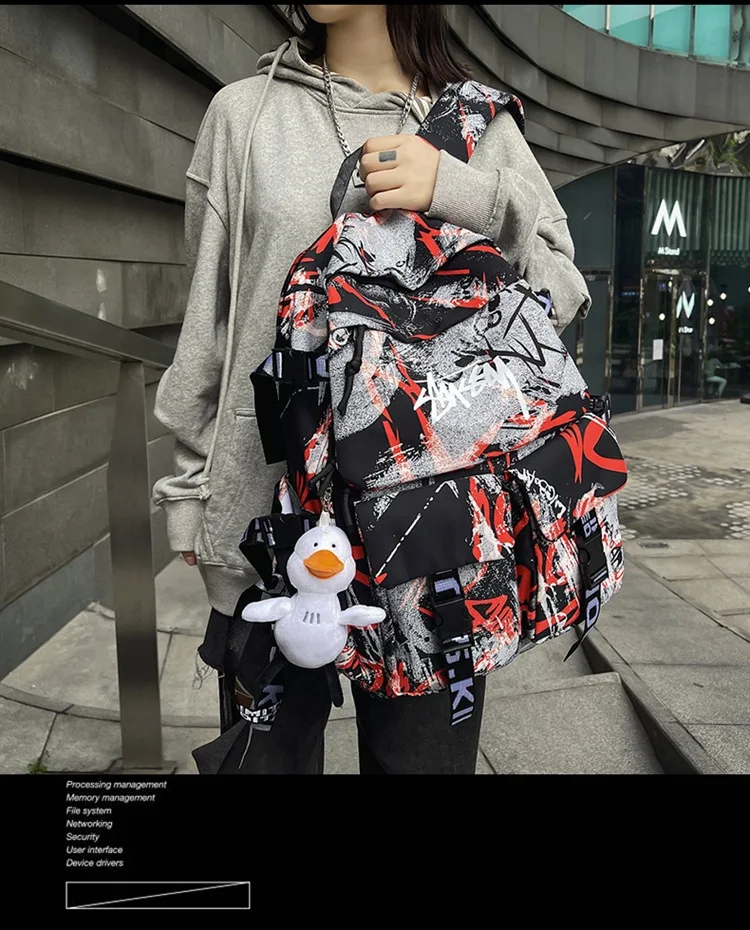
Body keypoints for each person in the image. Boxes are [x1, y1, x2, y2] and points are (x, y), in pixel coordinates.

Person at [152, 4, 591, 775]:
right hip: (270, 527)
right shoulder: (244, 116)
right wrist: (190, 487)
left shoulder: (480, 126)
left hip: (437, 530)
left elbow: (561, 296)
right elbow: (210, 321)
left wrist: (458, 190)